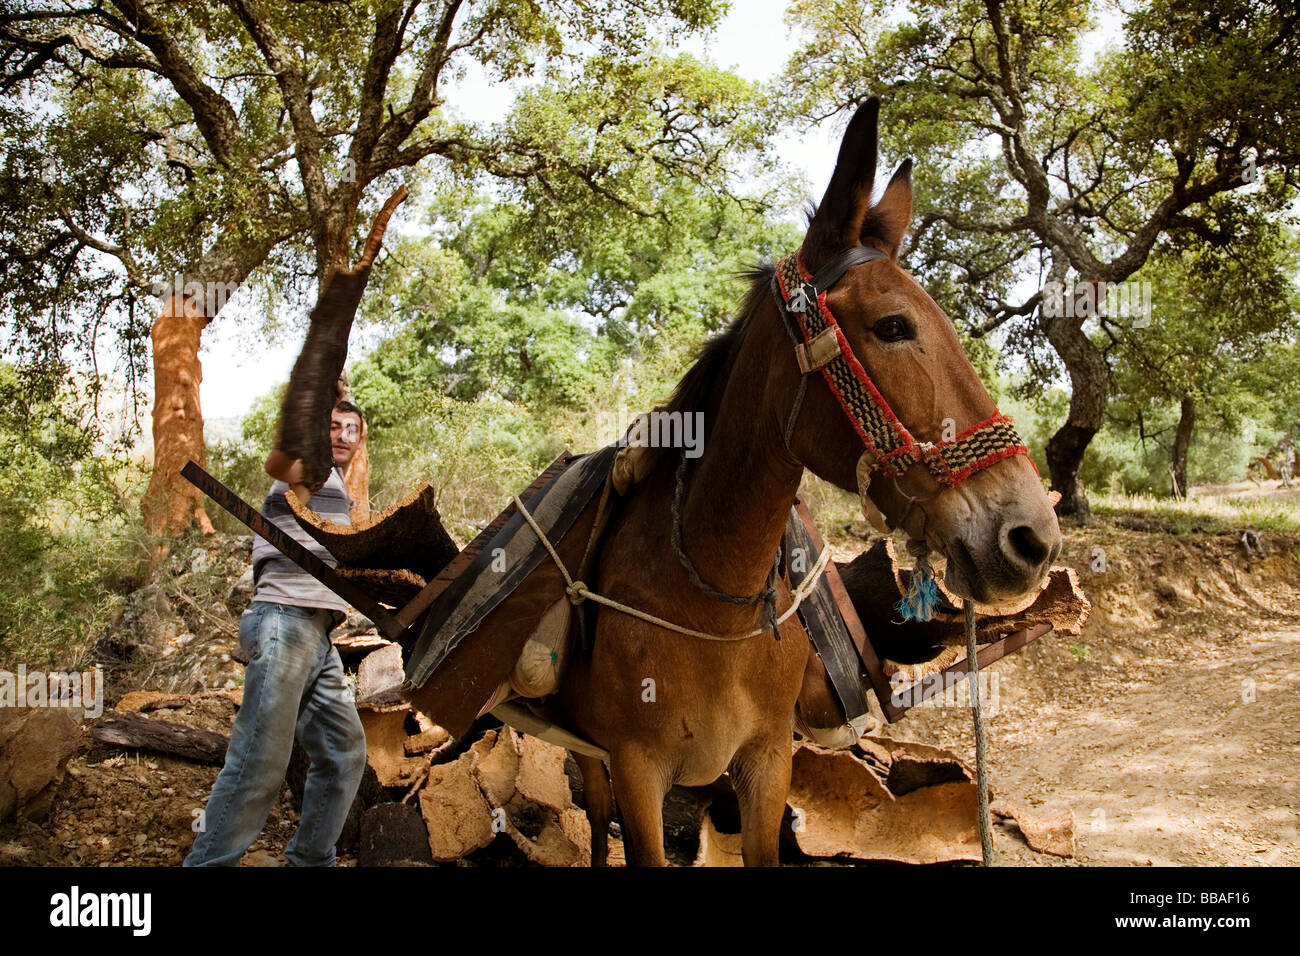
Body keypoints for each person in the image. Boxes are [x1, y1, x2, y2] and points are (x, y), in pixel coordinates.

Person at [185, 400, 369, 867]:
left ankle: (309, 862)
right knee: (259, 762)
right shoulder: (307, 472)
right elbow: (278, 461)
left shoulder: (340, 491)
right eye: (334, 426)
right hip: (284, 622)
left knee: (343, 754)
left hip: (319, 637)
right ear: (315, 433)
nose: (344, 435)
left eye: (353, 429)